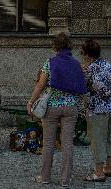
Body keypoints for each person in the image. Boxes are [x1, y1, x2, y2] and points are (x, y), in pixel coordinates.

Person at [27, 32, 87, 187]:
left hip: (52, 106)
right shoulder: (76, 64)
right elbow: (81, 86)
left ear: (55, 47)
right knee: (68, 143)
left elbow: (40, 85)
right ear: (69, 47)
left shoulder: (50, 63)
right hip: (70, 107)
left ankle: (45, 177)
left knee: (48, 143)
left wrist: (31, 102)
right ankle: (65, 179)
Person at [81, 40, 111, 182]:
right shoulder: (107, 64)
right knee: (108, 138)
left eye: (82, 53)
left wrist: (110, 92)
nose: (82, 55)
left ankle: (99, 173)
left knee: (97, 140)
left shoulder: (91, 68)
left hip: (97, 110)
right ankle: (109, 168)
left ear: (87, 54)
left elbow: (97, 86)